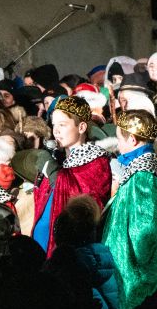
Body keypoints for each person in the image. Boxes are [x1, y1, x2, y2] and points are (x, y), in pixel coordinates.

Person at [102, 110, 157, 309]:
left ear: (132, 140)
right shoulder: (142, 170)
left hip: (133, 279)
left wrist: (136, 272)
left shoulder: (143, 177)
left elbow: (144, 232)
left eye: (119, 138)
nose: (118, 144)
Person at [32, 96, 111, 253]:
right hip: (41, 245)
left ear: (81, 127)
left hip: (68, 252)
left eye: (63, 125)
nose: (56, 131)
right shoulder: (57, 158)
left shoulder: (96, 162)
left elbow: (86, 207)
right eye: (54, 125)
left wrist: (54, 173)